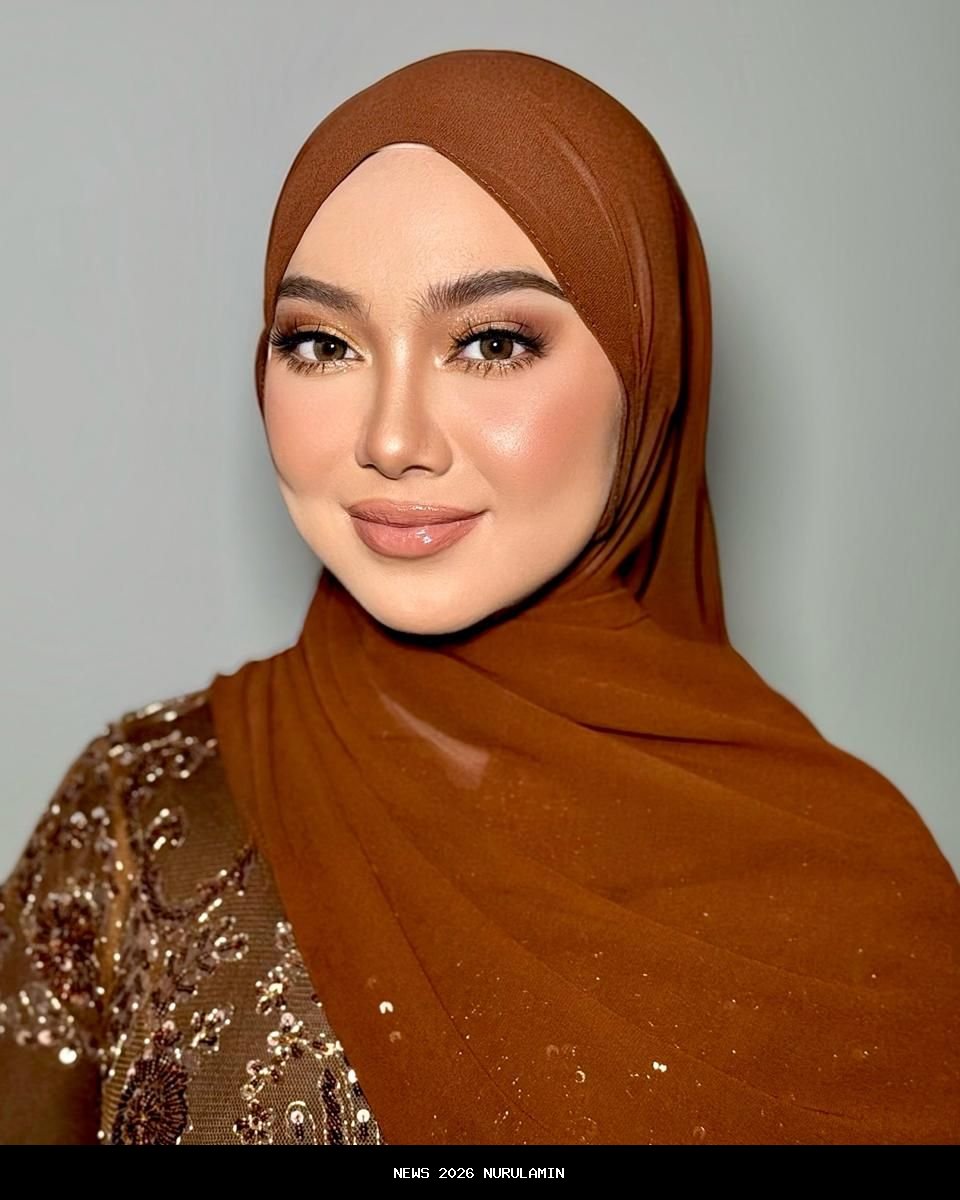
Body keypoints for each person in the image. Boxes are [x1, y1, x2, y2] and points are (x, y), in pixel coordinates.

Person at [1, 47, 958, 1147]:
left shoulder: (858, 902)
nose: (392, 438)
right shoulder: (140, 814)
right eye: (323, 343)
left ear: (648, 369)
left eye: (491, 344)